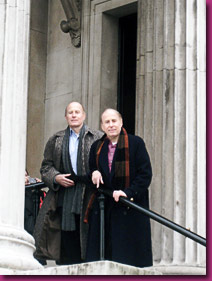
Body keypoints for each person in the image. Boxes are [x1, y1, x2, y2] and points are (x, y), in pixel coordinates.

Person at [33, 101, 103, 265]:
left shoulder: (97, 137)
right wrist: (56, 177)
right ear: (66, 117)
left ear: (84, 115)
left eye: (77, 112)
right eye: (70, 112)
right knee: (66, 242)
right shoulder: (56, 139)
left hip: (89, 195)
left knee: (87, 238)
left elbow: (104, 164)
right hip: (63, 198)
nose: (73, 115)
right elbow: (46, 167)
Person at [86, 108, 153, 268]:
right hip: (106, 208)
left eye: (114, 121)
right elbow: (91, 170)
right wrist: (94, 172)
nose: (111, 125)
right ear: (102, 126)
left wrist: (128, 192)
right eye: (107, 122)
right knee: (105, 256)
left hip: (130, 208)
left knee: (128, 260)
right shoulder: (97, 147)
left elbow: (145, 175)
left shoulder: (136, 143)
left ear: (121, 122)